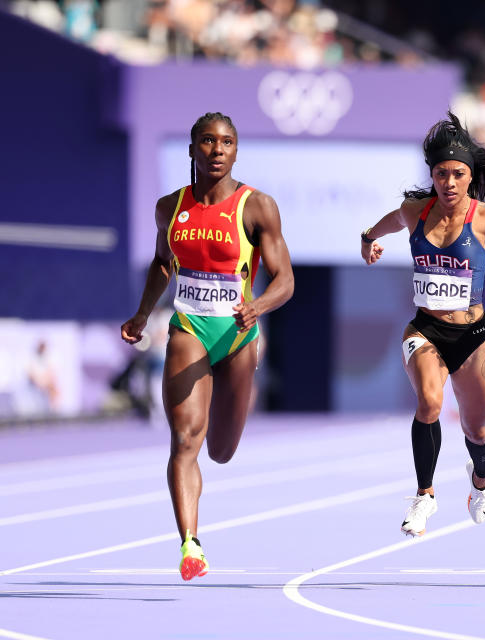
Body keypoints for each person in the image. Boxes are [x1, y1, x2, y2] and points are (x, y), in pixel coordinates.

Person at [360, 112, 485, 537]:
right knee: (430, 405)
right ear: (432, 175)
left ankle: (480, 484)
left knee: (476, 428)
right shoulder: (415, 211)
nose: (448, 182)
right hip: (425, 330)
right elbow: (386, 224)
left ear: (469, 177)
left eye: (457, 174)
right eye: (441, 174)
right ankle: (424, 496)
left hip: (473, 337)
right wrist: (368, 240)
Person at [121, 112, 294, 580]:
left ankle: (200, 512)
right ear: (192, 149)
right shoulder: (169, 207)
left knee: (221, 451)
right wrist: (142, 315)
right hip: (189, 328)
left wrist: (258, 306)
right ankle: (190, 546)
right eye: (208, 141)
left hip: (238, 336)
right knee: (184, 440)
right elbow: (162, 263)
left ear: (236, 151)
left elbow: (285, 279)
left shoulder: (257, 206)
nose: (217, 150)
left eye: (227, 142)